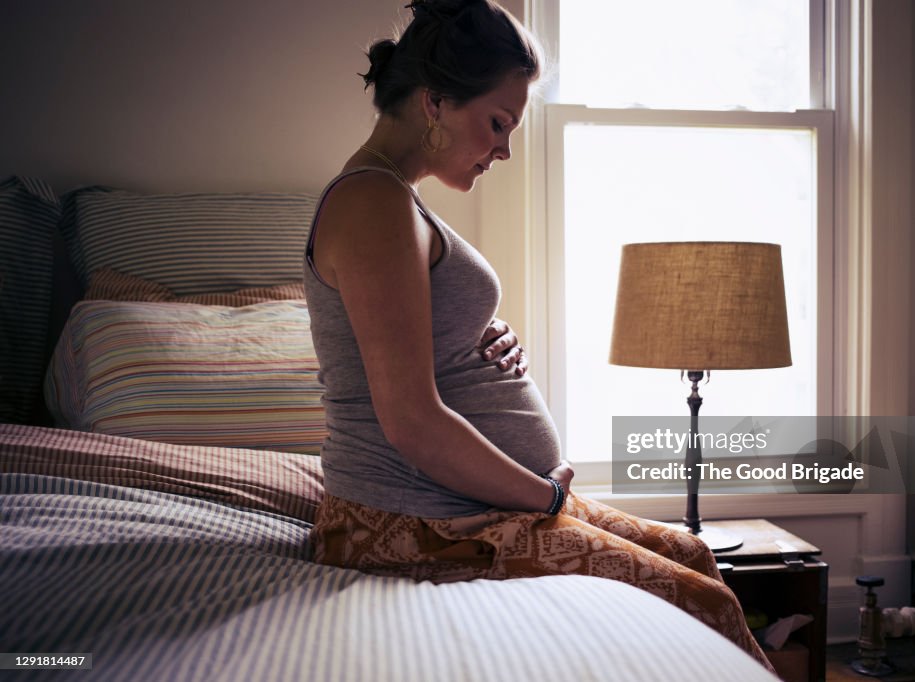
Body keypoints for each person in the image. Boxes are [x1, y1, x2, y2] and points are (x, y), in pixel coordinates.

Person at [303, 0, 774, 672]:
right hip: (410, 525)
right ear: (435, 102)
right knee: (702, 598)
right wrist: (547, 496)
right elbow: (408, 419)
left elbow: (414, 341)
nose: (504, 148)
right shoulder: (371, 202)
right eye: (497, 123)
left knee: (692, 551)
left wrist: (477, 337)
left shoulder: (389, 198)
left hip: (460, 506)